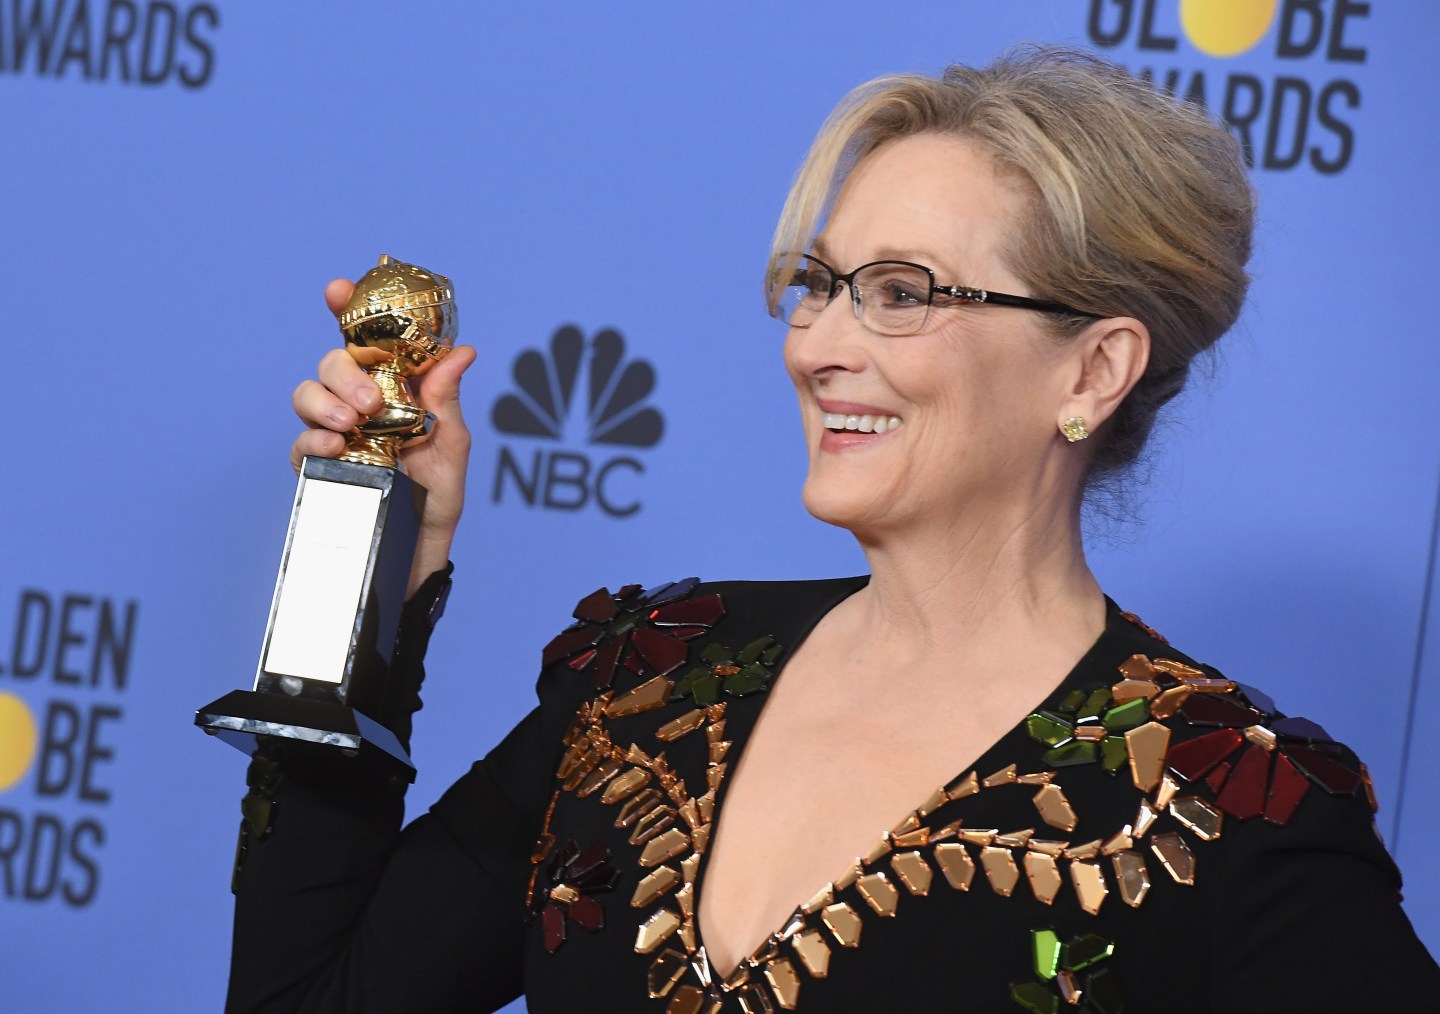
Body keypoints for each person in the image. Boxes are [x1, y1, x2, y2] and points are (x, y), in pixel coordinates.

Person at [228, 46, 1439, 1012]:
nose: (819, 344)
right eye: (819, 282)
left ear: (1097, 367)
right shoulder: (651, 677)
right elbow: (309, 999)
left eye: (902, 294)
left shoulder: (1226, 804)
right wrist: (380, 564)